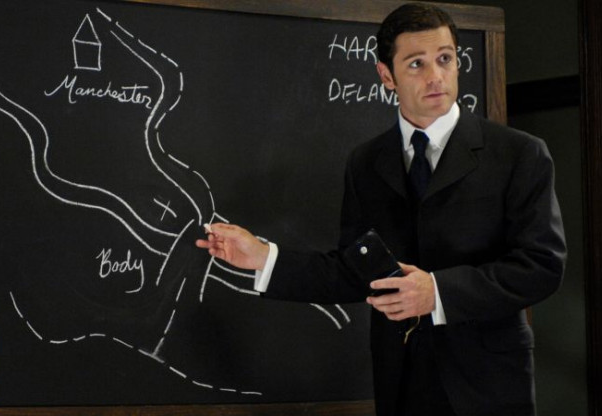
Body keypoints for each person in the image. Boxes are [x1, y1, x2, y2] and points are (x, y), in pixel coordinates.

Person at [196, 3, 566, 416]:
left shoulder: (519, 154)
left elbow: (542, 265)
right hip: (401, 382)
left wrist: (438, 292)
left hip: (488, 386)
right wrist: (264, 257)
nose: (435, 76)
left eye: (445, 59)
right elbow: (354, 271)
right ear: (386, 76)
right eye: (416, 64)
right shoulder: (367, 162)